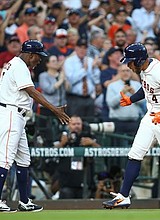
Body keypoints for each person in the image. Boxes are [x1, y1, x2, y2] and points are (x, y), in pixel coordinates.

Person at [102, 42, 160, 209]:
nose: (128, 65)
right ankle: (123, 196)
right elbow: (146, 89)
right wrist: (131, 99)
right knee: (135, 154)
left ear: (140, 60)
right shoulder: (143, 69)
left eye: (130, 61)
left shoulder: (158, 70)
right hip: (151, 117)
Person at [0, 40, 70, 212]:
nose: (40, 61)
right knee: (5, 159)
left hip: (18, 115)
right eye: (38, 57)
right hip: (11, 114)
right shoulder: (19, 66)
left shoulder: (16, 64)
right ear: (31, 55)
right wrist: (55, 110)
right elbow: (32, 91)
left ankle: (24, 201)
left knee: (24, 160)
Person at [53, 115, 100, 199]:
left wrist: (92, 143)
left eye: (79, 124)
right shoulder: (62, 136)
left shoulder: (88, 135)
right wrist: (62, 143)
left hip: (85, 179)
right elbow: (50, 151)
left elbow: (102, 151)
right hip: (66, 179)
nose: (76, 126)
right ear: (68, 126)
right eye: (74, 124)